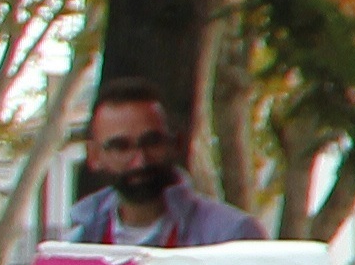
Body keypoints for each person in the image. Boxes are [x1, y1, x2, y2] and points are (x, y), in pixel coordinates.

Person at [50, 76, 258, 248]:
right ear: (94, 156)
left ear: (176, 143)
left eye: (151, 142)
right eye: (121, 147)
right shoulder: (78, 245)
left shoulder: (231, 237)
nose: (140, 161)